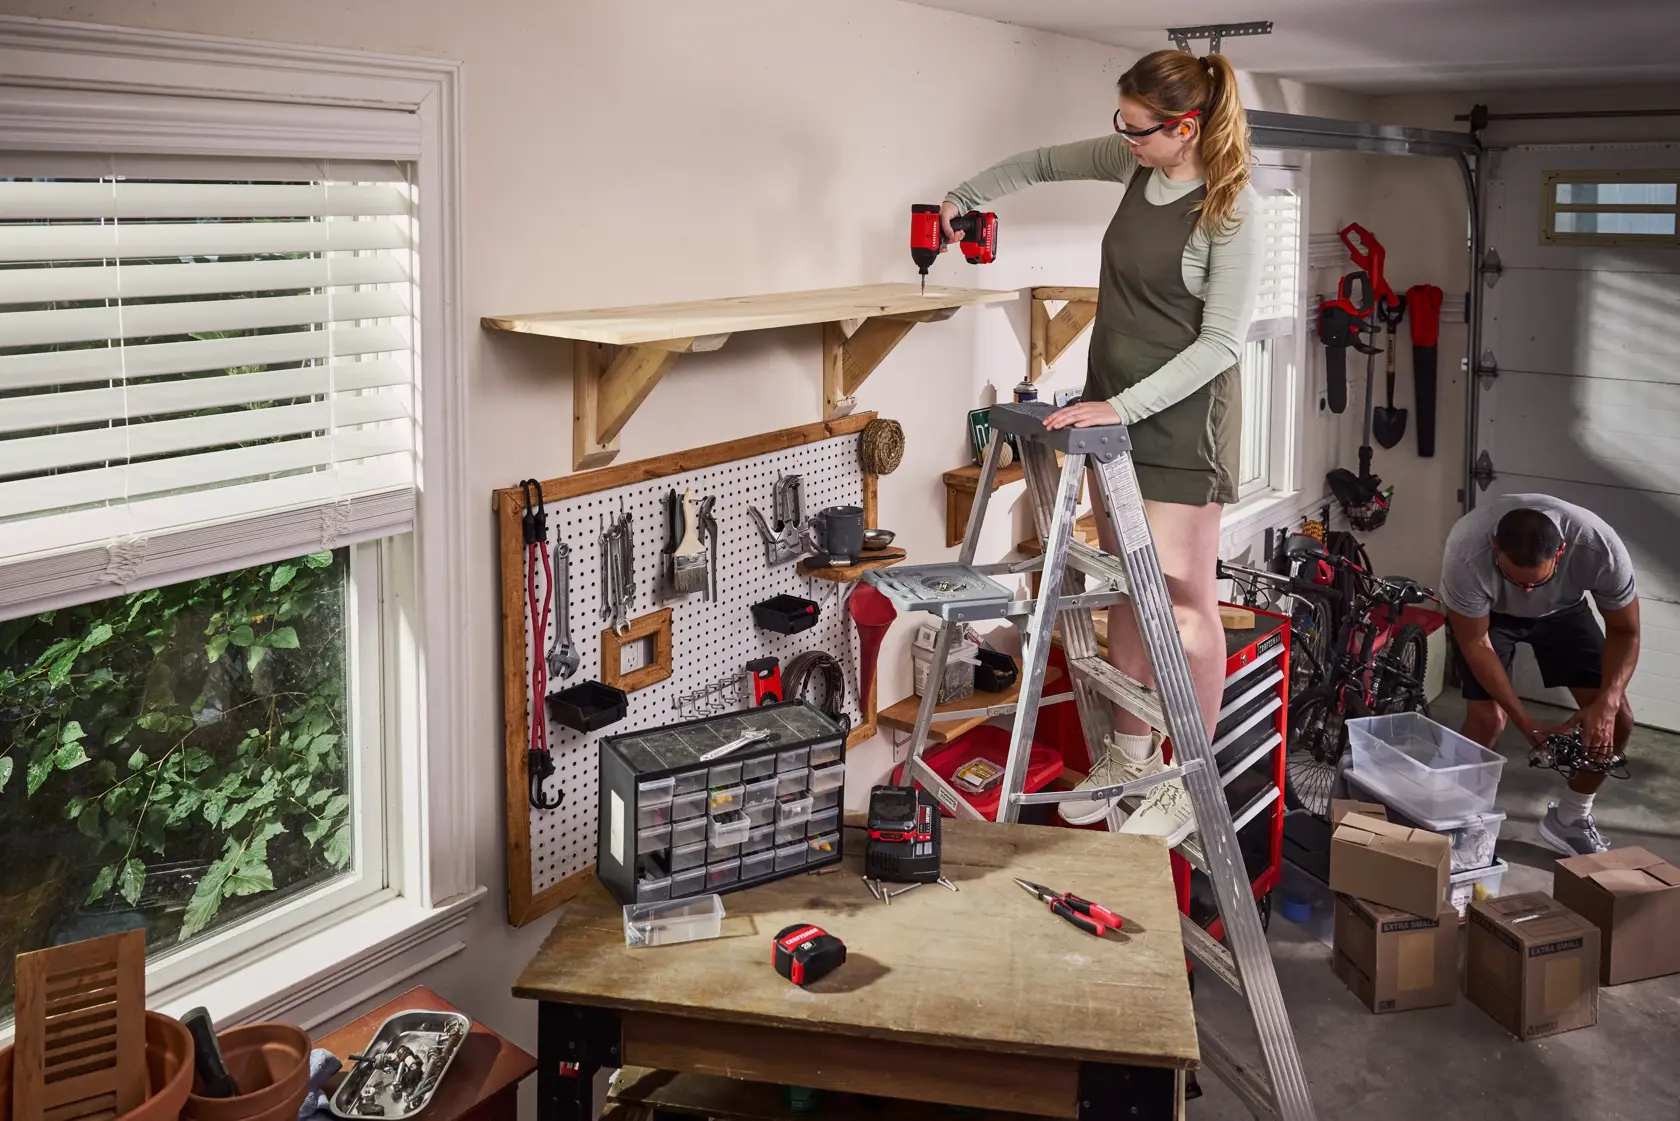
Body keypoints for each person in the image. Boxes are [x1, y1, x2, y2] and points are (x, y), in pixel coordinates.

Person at [940, 49, 1262, 841]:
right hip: (1111, 415)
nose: (1123, 138)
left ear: (1184, 128)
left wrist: (1117, 406)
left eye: (1139, 128)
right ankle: (1126, 752)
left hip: (1184, 425)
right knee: (1125, 586)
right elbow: (1044, 161)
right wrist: (966, 196)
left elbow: (1221, 343)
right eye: (1120, 122)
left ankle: (1186, 776)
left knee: (1184, 599)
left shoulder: (1230, 209)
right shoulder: (1135, 166)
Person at [1439, 495, 1640, 856]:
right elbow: (1477, 643)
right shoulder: (1465, 551)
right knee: (1487, 719)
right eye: (1514, 580)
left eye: (1534, 583)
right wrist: (1524, 721)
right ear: (1494, 546)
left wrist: (1606, 705)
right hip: (1490, 617)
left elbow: (1625, 631)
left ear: (1561, 552)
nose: (1525, 592)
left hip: (1563, 610)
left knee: (1619, 720)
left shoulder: (1599, 547)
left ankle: (1571, 818)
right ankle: (1455, 820)